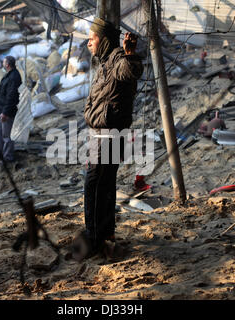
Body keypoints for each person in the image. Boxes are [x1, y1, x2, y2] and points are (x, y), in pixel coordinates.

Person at [72, 18, 143, 261]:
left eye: (92, 38)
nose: (89, 42)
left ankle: (94, 240)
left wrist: (131, 54)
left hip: (108, 136)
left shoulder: (117, 60)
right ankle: (104, 235)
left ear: (102, 39)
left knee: (94, 186)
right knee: (103, 186)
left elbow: (131, 71)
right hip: (101, 136)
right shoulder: (104, 62)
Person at [0, 56, 22, 162]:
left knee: (7, 135)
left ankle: (8, 157)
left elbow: (11, 96)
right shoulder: (9, 75)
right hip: (1, 109)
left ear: (7, 64)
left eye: (4, 62)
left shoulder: (14, 77)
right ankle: (0, 153)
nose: (2, 63)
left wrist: (5, 113)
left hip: (7, 112)